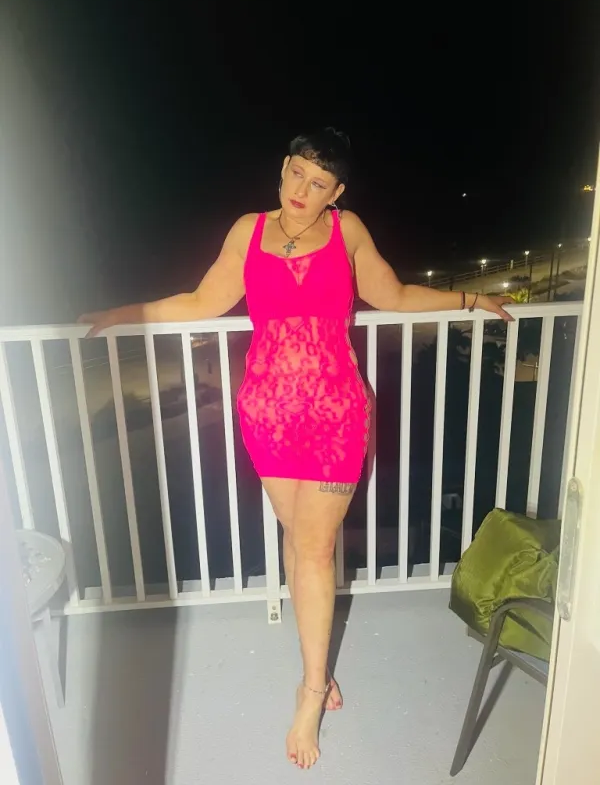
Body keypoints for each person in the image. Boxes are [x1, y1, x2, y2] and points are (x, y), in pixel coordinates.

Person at [79, 128, 514, 770]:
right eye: (297, 174)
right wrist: (124, 314)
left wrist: (473, 298)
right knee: (299, 539)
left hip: (337, 411)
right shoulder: (248, 231)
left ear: (337, 193)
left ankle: (311, 692)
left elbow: (393, 296)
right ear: (282, 169)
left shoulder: (347, 231)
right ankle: (319, 666)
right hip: (268, 411)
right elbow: (202, 302)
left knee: (314, 548)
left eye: (319, 183)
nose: (303, 190)